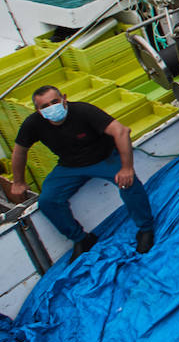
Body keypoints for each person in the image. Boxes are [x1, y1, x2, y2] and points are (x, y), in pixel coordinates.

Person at [10, 86, 156, 258]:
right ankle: (81, 239)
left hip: (104, 158)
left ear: (64, 98)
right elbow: (20, 150)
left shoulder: (83, 111)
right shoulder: (33, 123)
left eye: (55, 102)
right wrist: (18, 181)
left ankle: (145, 229)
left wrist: (126, 168)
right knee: (48, 200)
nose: (51, 107)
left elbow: (122, 131)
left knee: (128, 183)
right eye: (45, 106)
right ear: (38, 110)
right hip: (69, 165)